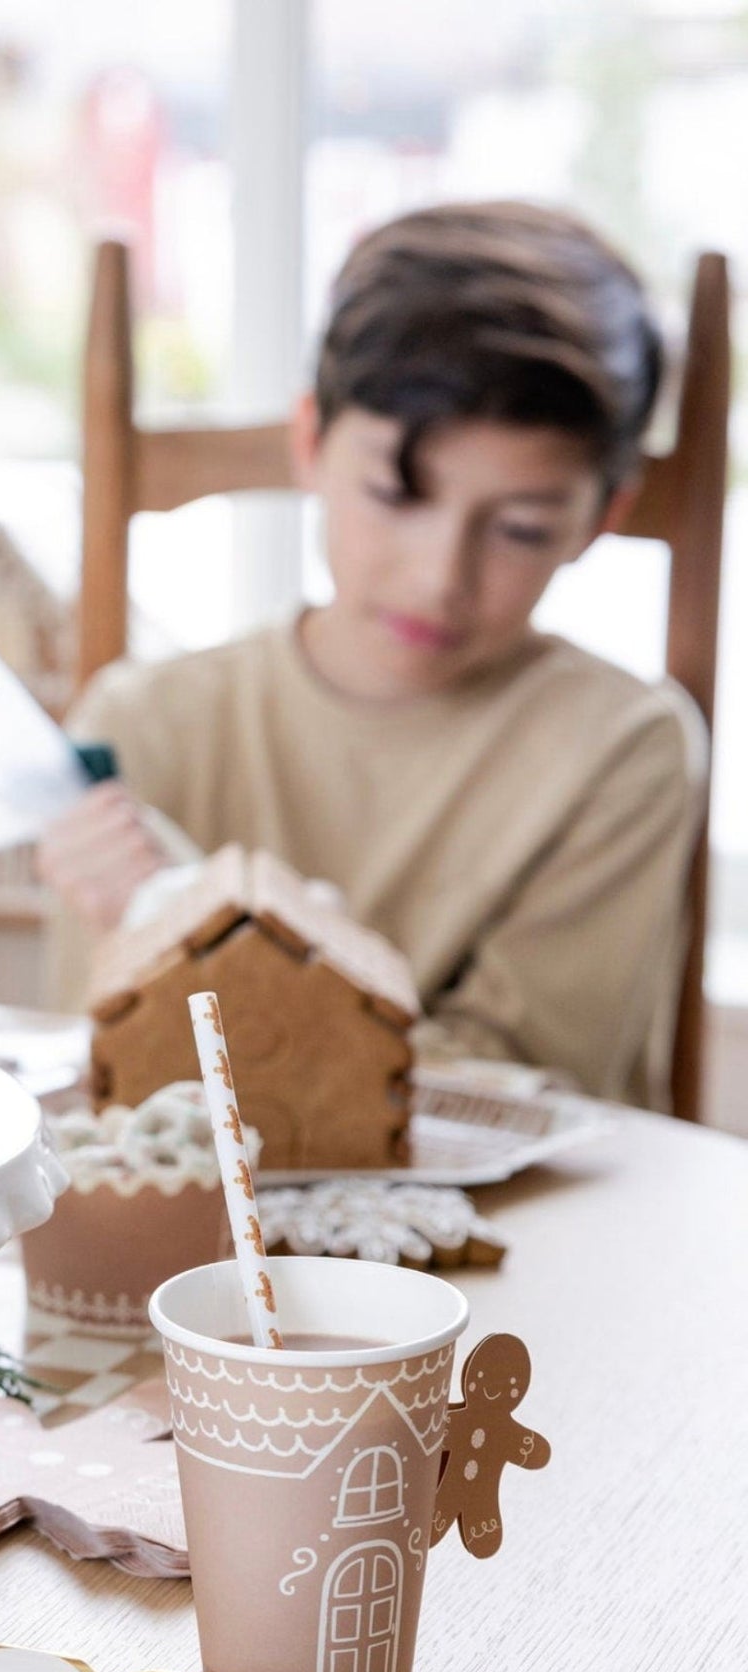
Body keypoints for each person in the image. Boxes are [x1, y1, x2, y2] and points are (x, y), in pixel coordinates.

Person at [39, 201, 706, 1107]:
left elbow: (522, 1103)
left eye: (520, 528)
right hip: (193, 1241)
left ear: (602, 518)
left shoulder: (623, 745)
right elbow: (118, 1095)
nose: (440, 577)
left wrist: (189, 922)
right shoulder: (142, 728)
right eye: (396, 495)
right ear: (309, 442)